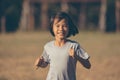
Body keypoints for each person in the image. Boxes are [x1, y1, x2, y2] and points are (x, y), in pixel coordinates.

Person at [34, 11, 91, 80]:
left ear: (69, 27)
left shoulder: (74, 46)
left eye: (64, 26)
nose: (61, 29)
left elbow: (88, 65)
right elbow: (45, 64)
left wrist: (77, 56)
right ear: (52, 27)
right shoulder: (48, 47)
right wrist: (39, 63)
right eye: (57, 26)